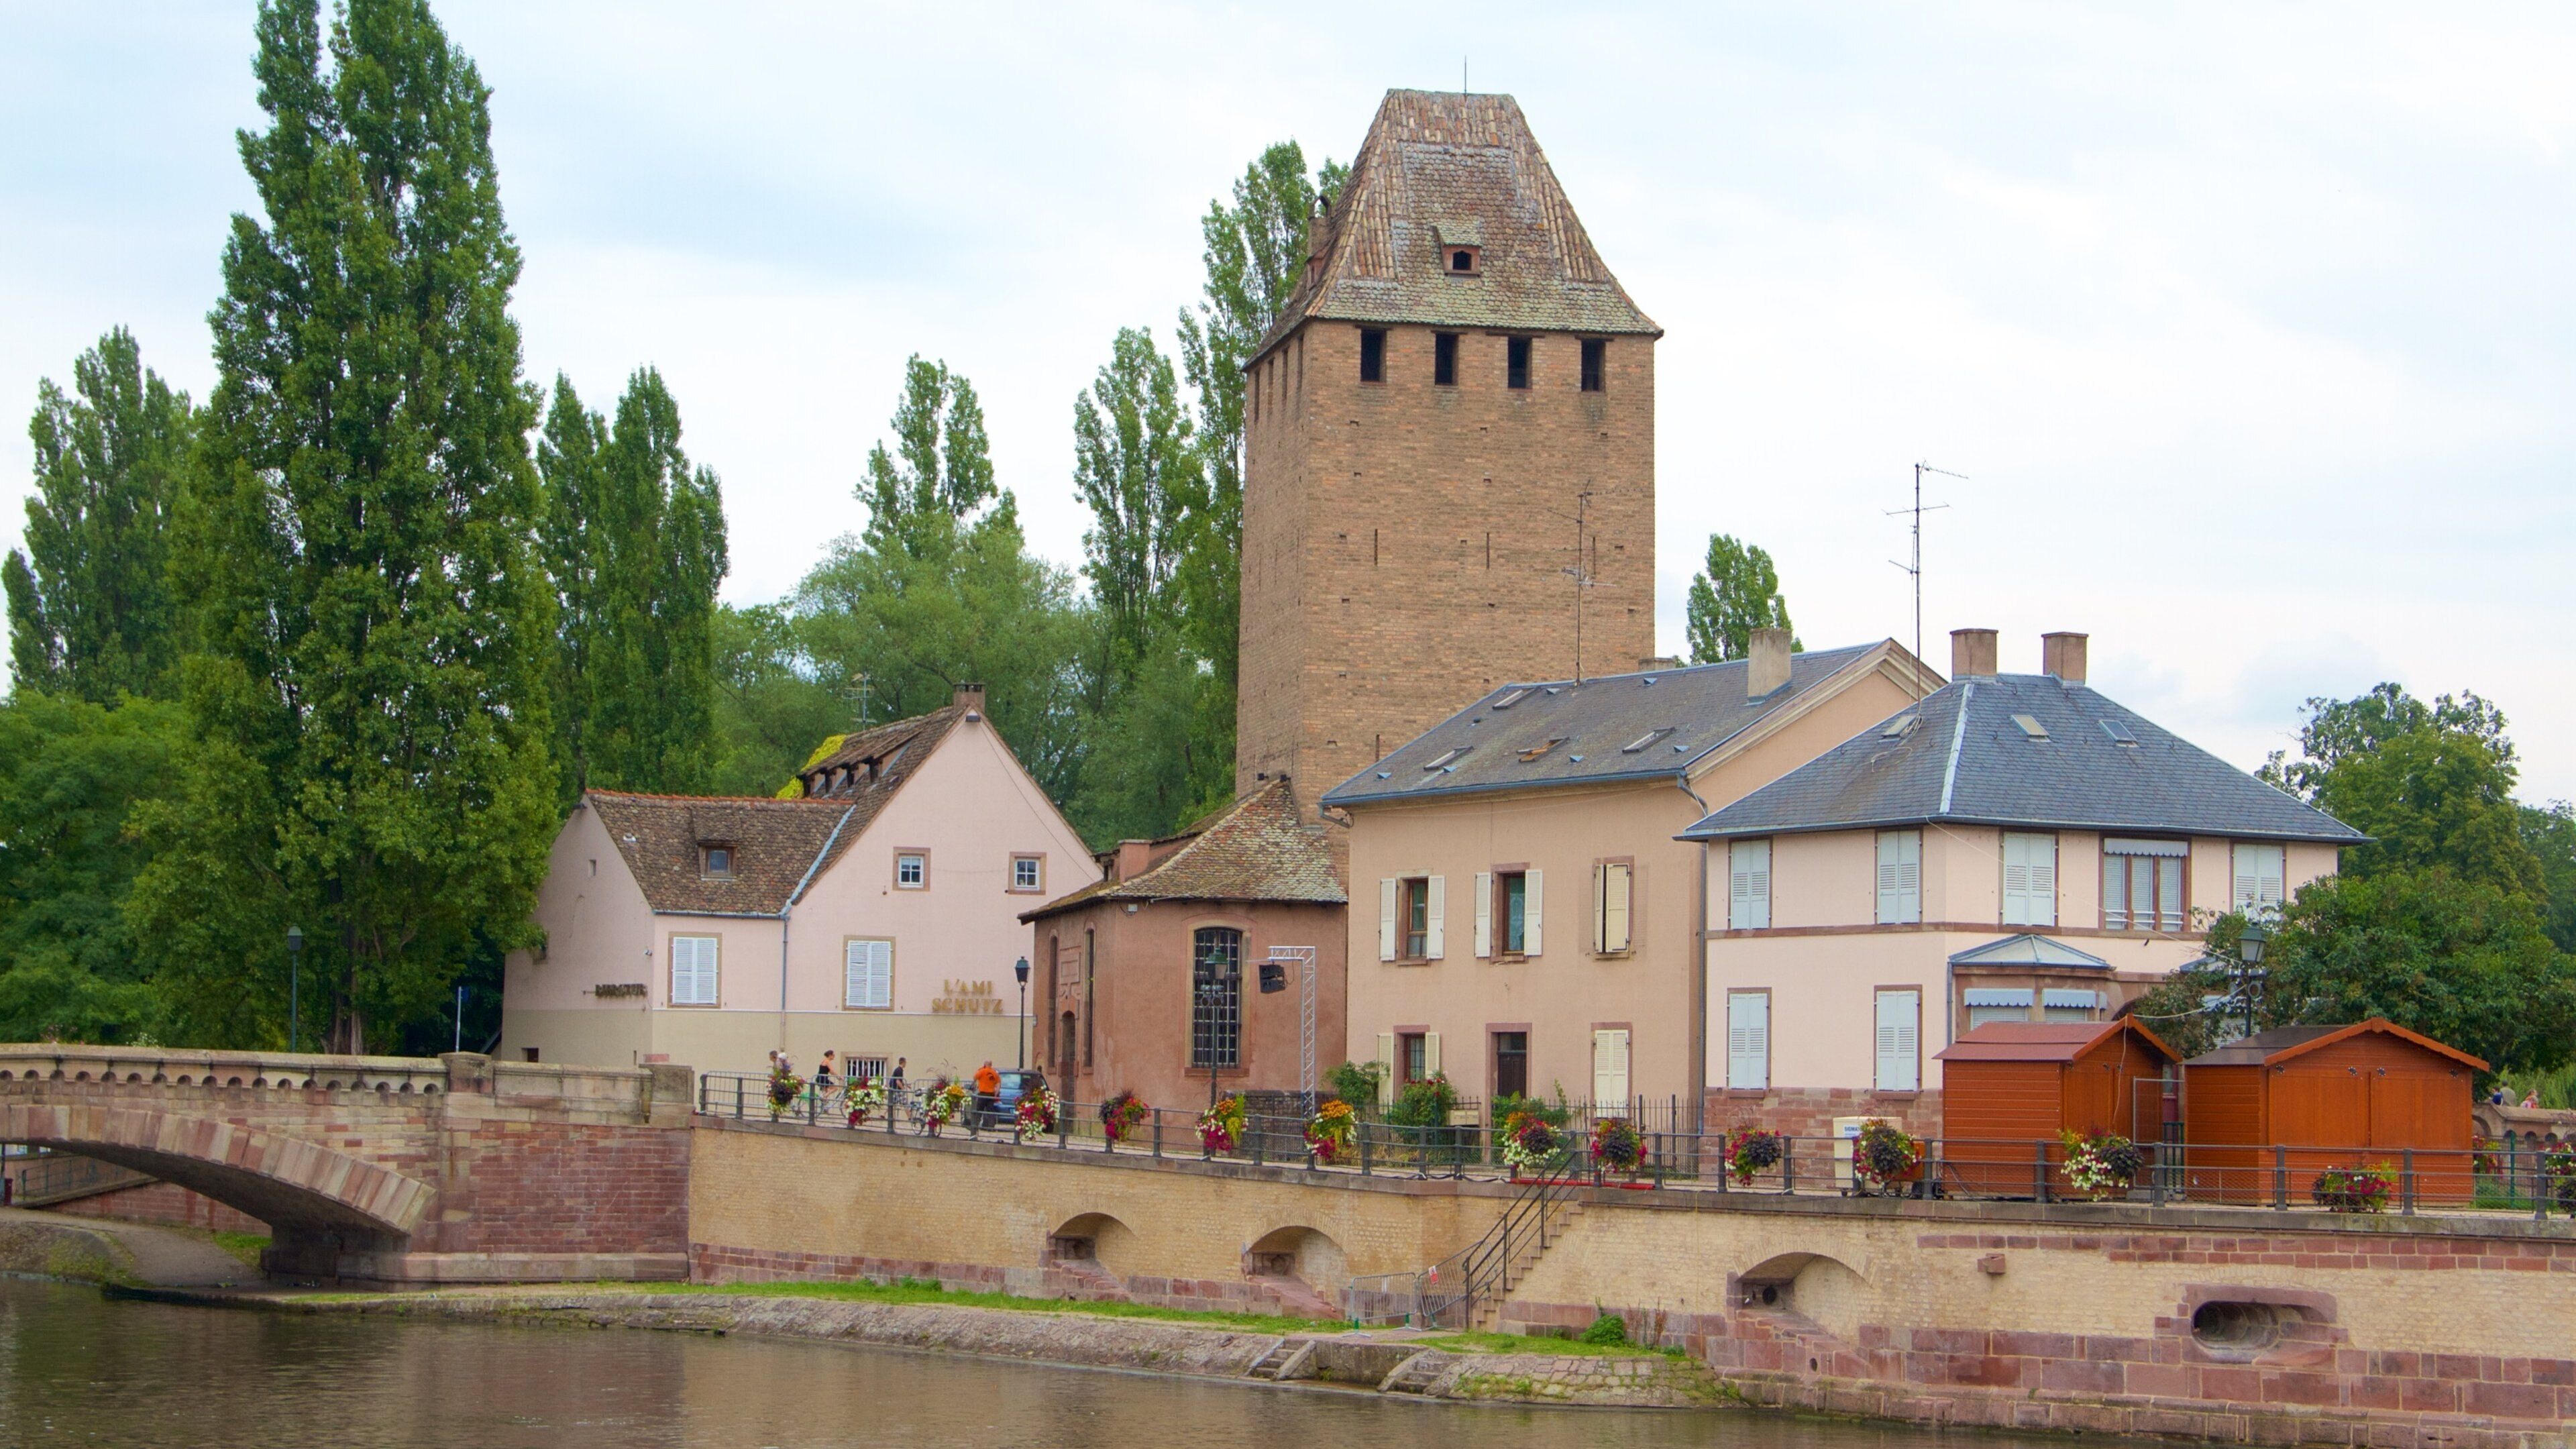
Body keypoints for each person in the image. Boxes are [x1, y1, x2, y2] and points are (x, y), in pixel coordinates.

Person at [974, 1059, 1001, 1130]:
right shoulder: (995, 1073)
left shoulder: (982, 1071)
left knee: (978, 1110)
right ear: (991, 1065)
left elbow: (975, 1078)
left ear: (985, 1064)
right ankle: (991, 1126)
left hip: (982, 1094)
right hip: (991, 1095)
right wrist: (996, 1094)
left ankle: (975, 1125)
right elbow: (998, 1085)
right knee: (990, 1111)